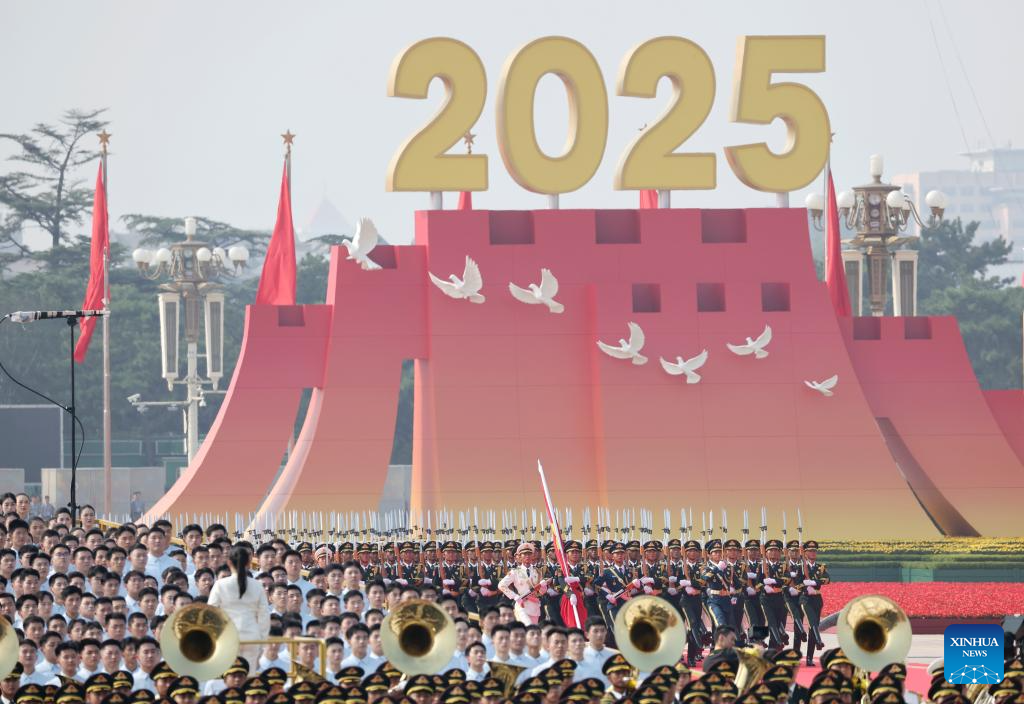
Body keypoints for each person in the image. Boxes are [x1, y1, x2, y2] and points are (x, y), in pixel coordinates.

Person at [207, 545, 270, 673]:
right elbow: (264, 616)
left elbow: (210, 614)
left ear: (229, 562)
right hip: (252, 637)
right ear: (248, 562)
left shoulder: (220, 584)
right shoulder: (257, 585)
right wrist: (262, 642)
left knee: (229, 676)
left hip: (227, 637)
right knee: (249, 675)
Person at [798, 541, 829, 666]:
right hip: (805, 599)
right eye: (810, 551)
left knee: (813, 628)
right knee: (812, 622)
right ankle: (818, 640)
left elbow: (827, 579)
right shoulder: (800, 567)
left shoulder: (820, 567)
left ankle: (809, 658)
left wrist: (813, 583)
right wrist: (804, 586)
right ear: (805, 553)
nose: (813, 553)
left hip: (817, 599)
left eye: (814, 551)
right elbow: (794, 583)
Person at [497, 544, 544, 625]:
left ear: (532, 556)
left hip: (534, 607)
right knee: (527, 626)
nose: (527, 556)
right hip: (522, 605)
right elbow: (501, 585)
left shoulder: (538, 571)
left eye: (529, 554)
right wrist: (515, 596)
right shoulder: (515, 572)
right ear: (520, 556)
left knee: (532, 629)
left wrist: (543, 587)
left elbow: (541, 592)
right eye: (524, 554)